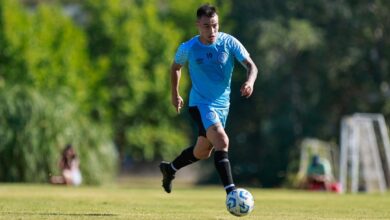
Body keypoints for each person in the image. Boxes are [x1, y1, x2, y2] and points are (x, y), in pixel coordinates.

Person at [159, 4, 258, 195]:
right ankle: (232, 193)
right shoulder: (188, 47)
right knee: (222, 140)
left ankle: (169, 169)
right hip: (200, 104)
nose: (212, 30)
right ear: (198, 25)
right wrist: (175, 93)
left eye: (215, 25)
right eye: (206, 26)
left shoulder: (229, 43)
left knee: (203, 151)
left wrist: (250, 82)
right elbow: (175, 67)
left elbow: (251, 66)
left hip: (222, 107)